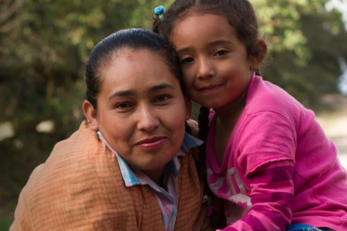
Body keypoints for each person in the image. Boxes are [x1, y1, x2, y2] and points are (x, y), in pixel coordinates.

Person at [152, 0, 347, 230]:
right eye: (188, 60)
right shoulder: (215, 122)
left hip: (319, 222)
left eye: (220, 52)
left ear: (255, 55)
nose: (204, 70)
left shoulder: (265, 116)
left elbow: (274, 212)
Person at [10, 28, 212, 231]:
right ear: (93, 115)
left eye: (161, 99)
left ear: (186, 104)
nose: (148, 122)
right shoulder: (77, 187)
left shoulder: (198, 151)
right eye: (124, 105)